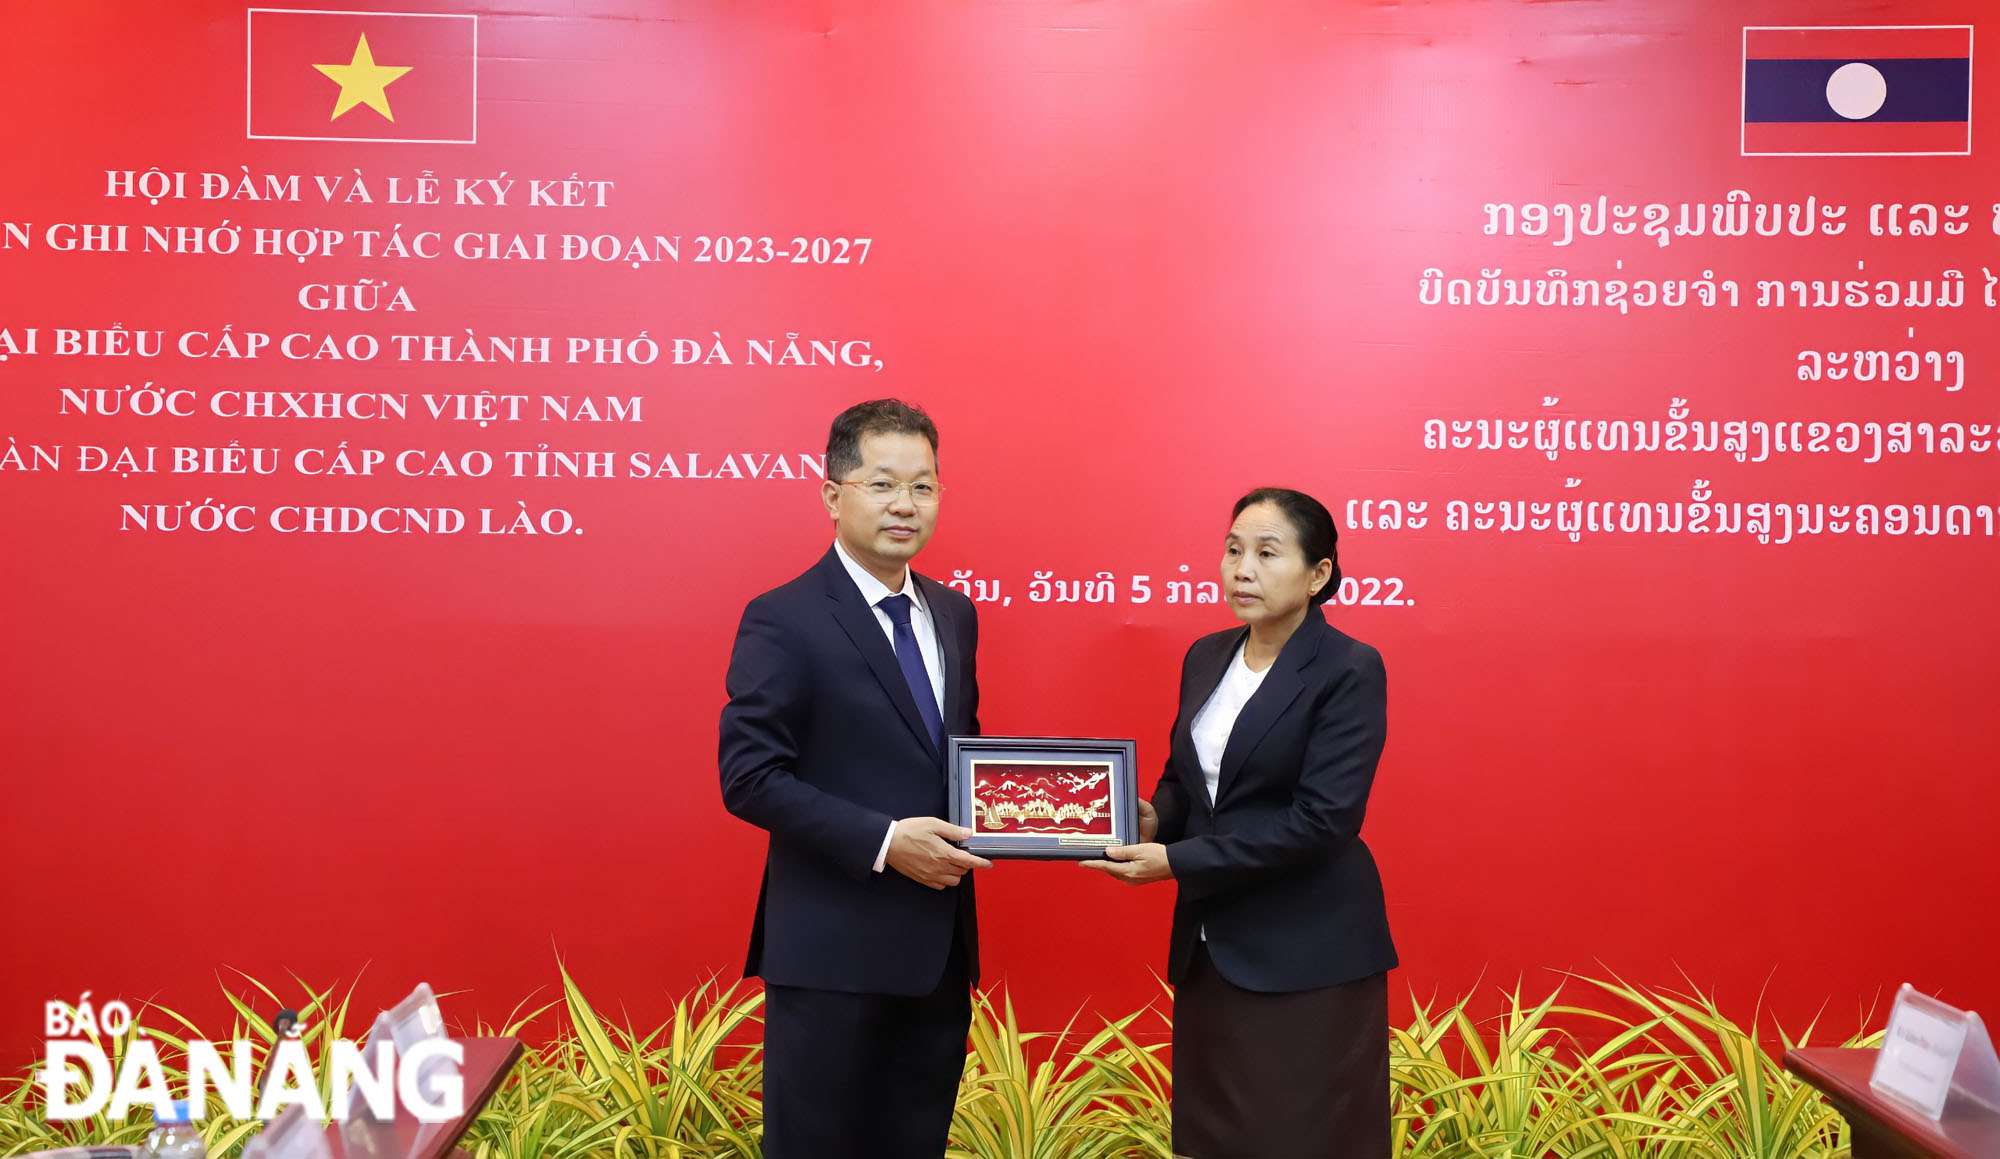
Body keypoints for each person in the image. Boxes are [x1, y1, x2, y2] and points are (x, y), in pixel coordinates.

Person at [1082, 486, 1395, 1157]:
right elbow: (1186, 783)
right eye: (1232, 549)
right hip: (1211, 952)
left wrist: (1176, 861)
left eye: (1266, 552)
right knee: (1215, 1137)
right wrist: (1150, 820)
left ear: (1319, 574)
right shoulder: (1208, 654)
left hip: (1308, 956)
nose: (1241, 568)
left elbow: (1322, 820)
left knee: (1301, 1136)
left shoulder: (1348, 668)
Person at [718, 399, 990, 1159]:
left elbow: (959, 761)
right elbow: (748, 776)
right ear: (834, 495)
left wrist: (1065, 813)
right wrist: (885, 841)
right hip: (832, 954)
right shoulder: (785, 617)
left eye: (925, 486)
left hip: (936, 955)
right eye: (883, 484)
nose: (906, 504)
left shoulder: (955, 614)